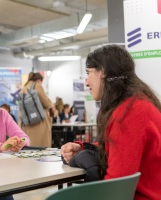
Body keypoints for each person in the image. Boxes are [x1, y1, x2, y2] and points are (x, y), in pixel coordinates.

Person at [61, 45, 161, 199]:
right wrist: (83, 148)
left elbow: (117, 186)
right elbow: (123, 148)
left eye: (88, 73)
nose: (86, 82)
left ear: (103, 72)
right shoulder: (138, 103)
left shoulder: (128, 113)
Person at [20, 72, 56, 148]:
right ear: (39, 80)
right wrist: (52, 106)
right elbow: (46, 102)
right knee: (42, 149)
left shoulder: (23, 88)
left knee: (31, 148)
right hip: (39, 123)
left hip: (27, 124)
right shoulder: (37, 86)